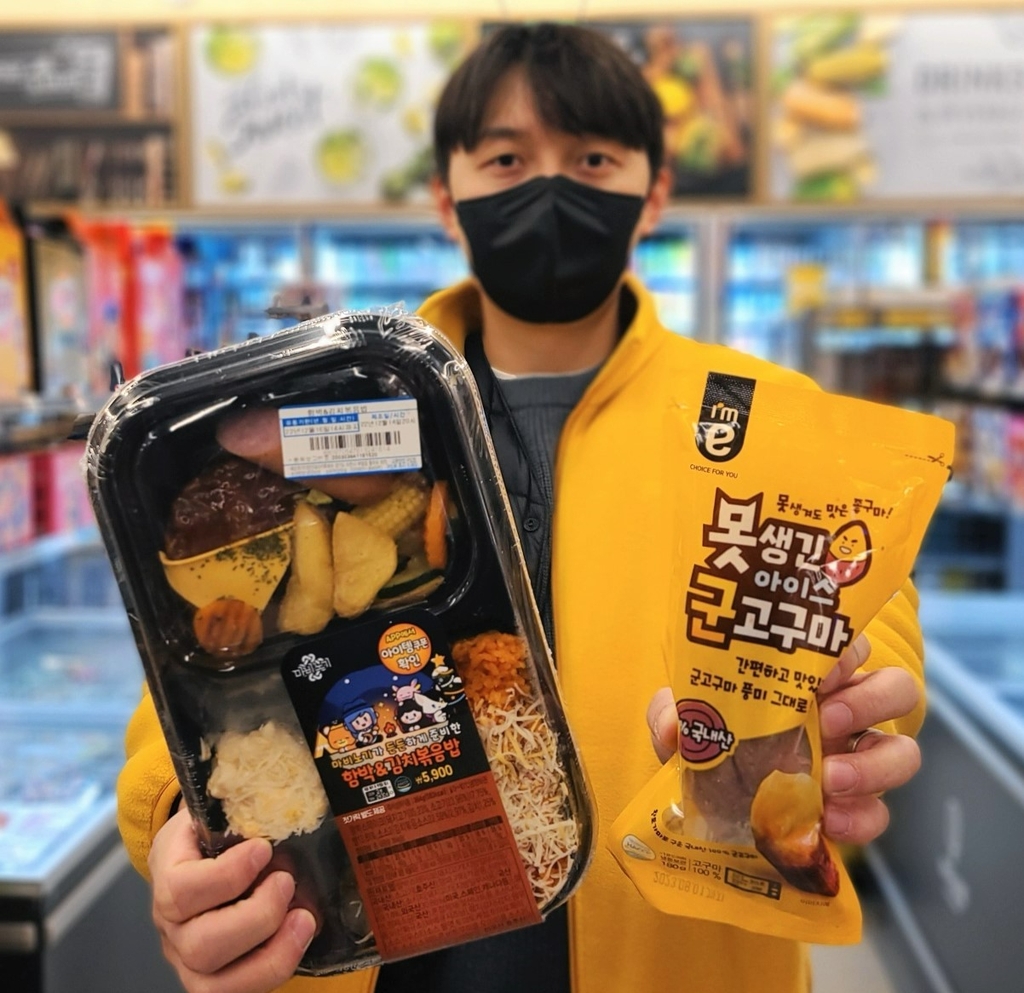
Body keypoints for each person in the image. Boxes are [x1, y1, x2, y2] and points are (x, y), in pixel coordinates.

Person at [118, 24, 926, 993]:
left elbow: (870, 614)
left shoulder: (763, 415)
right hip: (367, 946)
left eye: (591, 160)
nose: (548, 189)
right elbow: (188, 673)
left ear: (654, 193)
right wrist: (179, 822)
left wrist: (855, 708)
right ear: (446, 198)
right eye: (506, 159)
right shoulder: (320, 414)